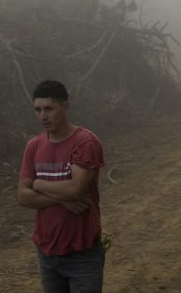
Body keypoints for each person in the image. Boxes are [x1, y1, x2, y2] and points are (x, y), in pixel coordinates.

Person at [17, 79, 106, 293]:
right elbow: (23, 197)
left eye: (49, 109)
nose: (43, 116)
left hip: (82, 253)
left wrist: (37, 183)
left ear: (65, 107)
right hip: (46, 252)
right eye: (38, 110)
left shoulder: (85, 142)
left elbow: (76, 189)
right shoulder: (34, 146)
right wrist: (62, 199)